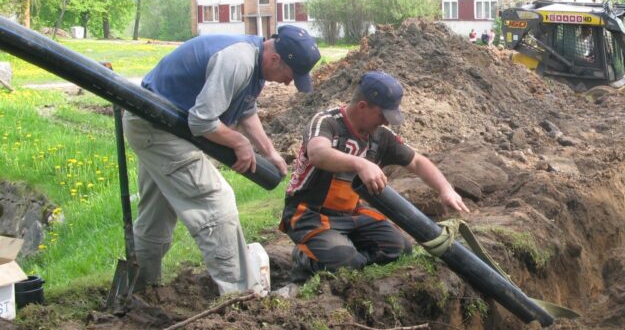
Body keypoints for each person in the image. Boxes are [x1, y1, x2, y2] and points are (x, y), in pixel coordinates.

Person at [123, 25, 321, 297]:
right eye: (290, 75)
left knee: (157, 212)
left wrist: (268, 150)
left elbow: (246, 108)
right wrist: (239, 142)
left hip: (161, 124)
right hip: (157, 127)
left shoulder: (255, 61)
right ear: (276, 59)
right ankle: (241, 296)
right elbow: (201, 121)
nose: (289, 83)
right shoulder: (237, 60)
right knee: (216, 202)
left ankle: (140, 286)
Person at [281, 70, 469, 283]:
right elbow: (318, 154)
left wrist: (445, 189)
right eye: (382, 116)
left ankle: (341, 251)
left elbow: (417, 161)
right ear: (362, 106)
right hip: (309, 213)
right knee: (345, 262)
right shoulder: (327, 122)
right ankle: (308, 257)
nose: (386, 123)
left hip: (351, 214)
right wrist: (360, 164)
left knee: (399, 248)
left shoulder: (380, 136)